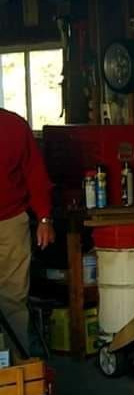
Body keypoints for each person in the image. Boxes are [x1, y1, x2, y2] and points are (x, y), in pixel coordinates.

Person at [0, 107, 54, 356]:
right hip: (12, 221)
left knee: (12, 299)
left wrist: (44, 217)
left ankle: (17, 365)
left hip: (11, 221)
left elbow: (35, 174)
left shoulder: (15, 126)